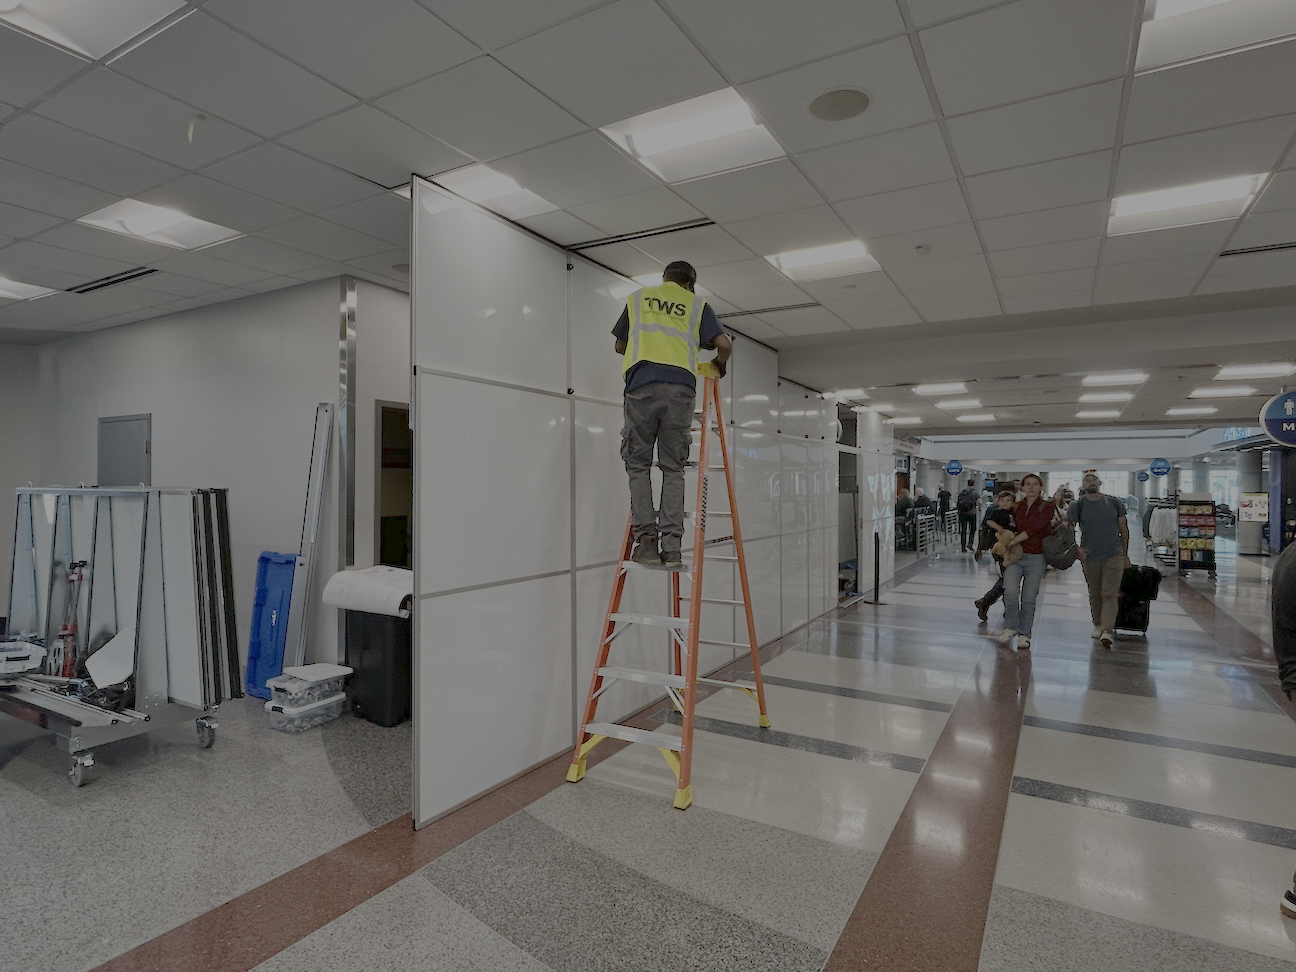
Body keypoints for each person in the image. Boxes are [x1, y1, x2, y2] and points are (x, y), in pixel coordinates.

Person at [613, 261, 730, 568]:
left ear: (664, 279)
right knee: (673, 468)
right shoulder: (696, 304)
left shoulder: (639, 298)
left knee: (638, 464)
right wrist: (720, 364)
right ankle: (673, 548)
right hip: (681, 390)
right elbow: (724, 344)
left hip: (641, 387)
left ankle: (647, 544)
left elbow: (619, 345)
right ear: (690, 285)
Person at [1067, 473, 1130, 648]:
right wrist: (1076, 548)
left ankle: (1107, 630)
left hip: (1114, 554)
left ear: (1100, 483)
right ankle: (1098, 623)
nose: (1091, 482)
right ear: (1083, 485)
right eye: (1087, 480)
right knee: (1095, 592)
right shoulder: (1078, 505)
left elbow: (1124, 528)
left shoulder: (1114, 502)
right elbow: (1069, 529)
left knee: (1109, 593)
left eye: (1093, 479)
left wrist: (1125, 553)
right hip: (1090, 555)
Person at [998, 473, 1056, 650]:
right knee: (1010, 592)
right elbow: (1006, 525)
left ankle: (1025, 634)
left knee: (1029, 598)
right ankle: (1011, 627)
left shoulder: (1048, 507)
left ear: (1040, 487)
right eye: (1027, 484)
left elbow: (1035, 528)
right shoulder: (1017, 507)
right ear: (1021, 488)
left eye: (1035, 484)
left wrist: (1012, 541)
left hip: (1037, 557)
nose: (1031, 487)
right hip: (1015, 556)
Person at [975, 489, 1019, 621]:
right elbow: (988, 524)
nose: (1005, 503)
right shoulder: (995, 512)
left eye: (1008, 501)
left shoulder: (1014, 513)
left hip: (1013, 549)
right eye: (1002, 500)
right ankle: (987, 602)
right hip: (1000, 550)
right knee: (1008, 579)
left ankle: (999, 606)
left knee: (1009, 580)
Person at [957, 479, 979, 551]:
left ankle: (963, 547)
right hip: (972, 513)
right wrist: (980, 509)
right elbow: (980, 502)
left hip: (962, 513)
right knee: (972, 529)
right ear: (974, 484)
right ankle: (970, 544)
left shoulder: (962, 492)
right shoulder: (975, 492)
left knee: (963, 530)